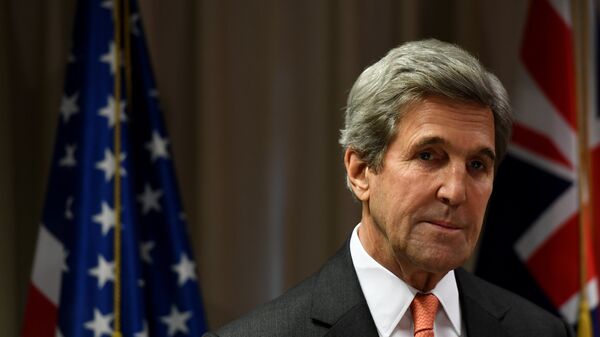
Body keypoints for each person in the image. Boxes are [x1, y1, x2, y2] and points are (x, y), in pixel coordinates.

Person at [203, 39, 573, 337]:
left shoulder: (541, 330)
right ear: (361, 170)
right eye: (429, 156)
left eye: (477, 165)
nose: (456, 192)